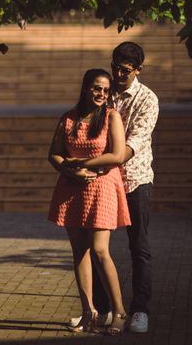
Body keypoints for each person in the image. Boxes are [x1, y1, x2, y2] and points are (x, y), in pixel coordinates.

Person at [78, 42, 158, 334]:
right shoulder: (104, 90)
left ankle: (140, 310)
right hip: (102, 182)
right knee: (97, 248)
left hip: (134, 180)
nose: (118, 74)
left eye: (125, 70)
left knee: (139, 247)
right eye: (115, 67)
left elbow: (130, 146)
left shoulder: (147, 99)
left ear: (138, 70)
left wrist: (89, 161)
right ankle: (99, 309)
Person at [48, 68, 131, 335]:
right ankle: (88, 311)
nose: (101, 94)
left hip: (103, 185)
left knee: (99, 250)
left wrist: (81, 163)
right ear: (86, 87)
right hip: (71, 187)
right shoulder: (69, 118)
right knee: (79, 252)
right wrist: (70, 170)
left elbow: (117, 155)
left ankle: (119, 311)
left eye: (106, 90)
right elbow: (55, 154)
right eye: (97, 88)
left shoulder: (110, 116)